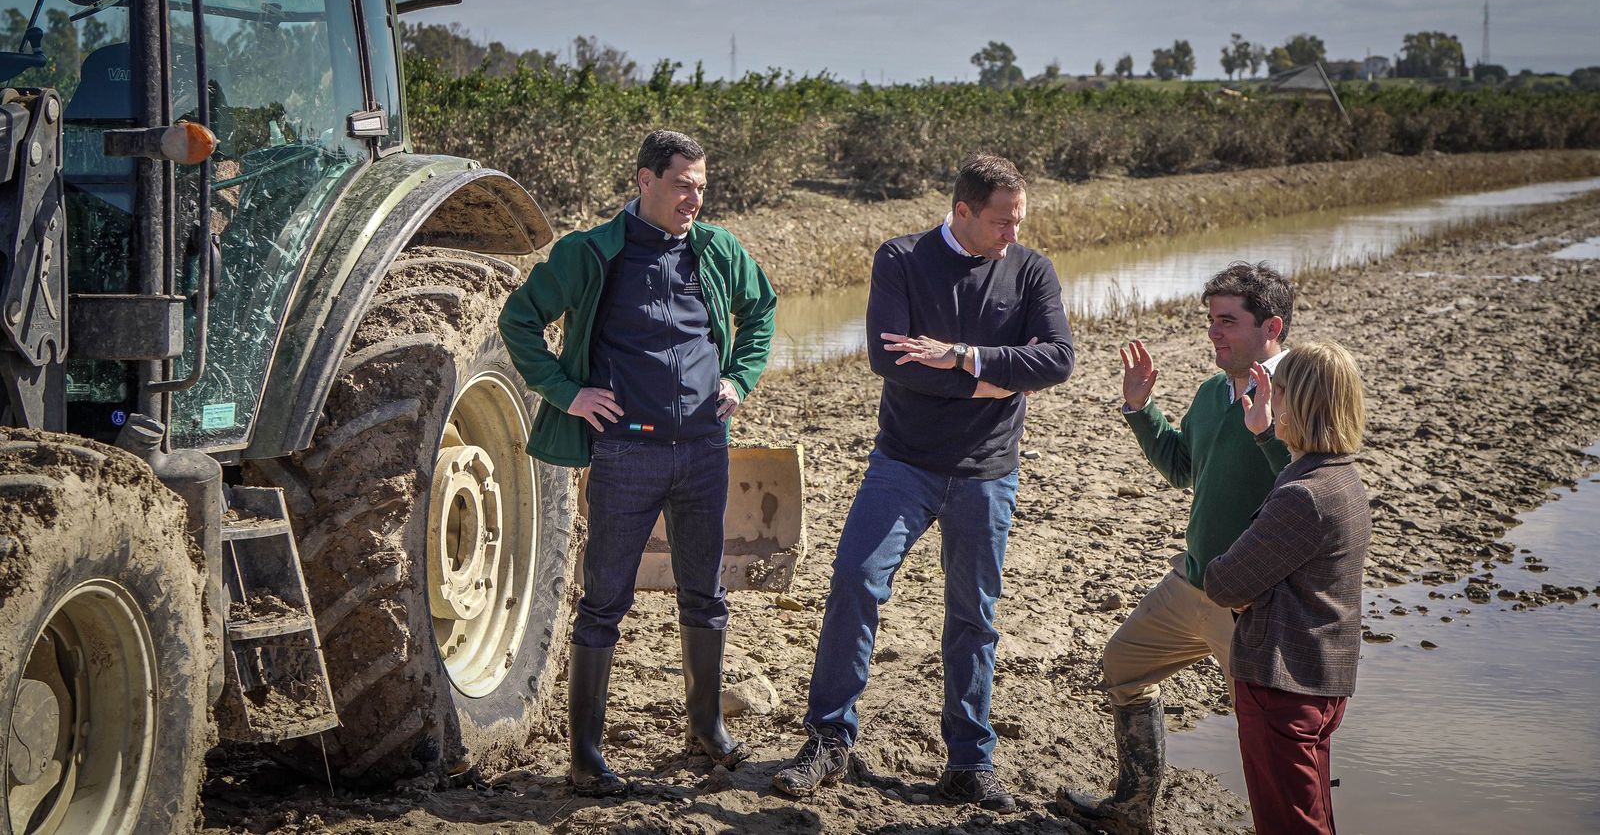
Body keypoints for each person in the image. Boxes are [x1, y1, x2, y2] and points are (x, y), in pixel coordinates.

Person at [771, 154, 1076, 812]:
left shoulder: (1031, 270)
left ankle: (969, 763)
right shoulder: (901, 258)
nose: (1012, 236)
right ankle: (829, 741)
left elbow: (1057, 359)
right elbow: (891, 358)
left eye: (1018, 221)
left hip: (989, 471)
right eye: (1001, 222)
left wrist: (962, 357)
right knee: (855, 578)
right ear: (962, 211)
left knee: (974, 616)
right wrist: (992, 383)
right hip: (903, 463)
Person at [498, 130, 777, 796]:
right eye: (683, 184)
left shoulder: (716, 249)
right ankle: (587, 757)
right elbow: (520, 319)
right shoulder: (591, 251)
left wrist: (740, 377)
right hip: (626, 454)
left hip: (705, 450)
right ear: (645, 180)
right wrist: (568, 393)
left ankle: (705, 729)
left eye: (702, 186)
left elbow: (760, 311)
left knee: (705, 594)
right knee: (604, 603)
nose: (694, 198)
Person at [1061, 262, 1296, 833]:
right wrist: (1142, 410)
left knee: (1270, 738)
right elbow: (1183, 469)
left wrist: (1266, 430)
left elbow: (1309, 488)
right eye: (1210, 320)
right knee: (1122, 666)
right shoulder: (1215, 390)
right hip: (1189, 584)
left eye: (1227, 322)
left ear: (1273, 327)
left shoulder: (1301, 392)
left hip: (1250, 604)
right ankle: (1133, 808)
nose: (1213, 332)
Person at [1205, 340, 1371, 835]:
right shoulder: (1343, 479)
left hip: (1283, 685)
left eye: (1275, 393)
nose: (1267, 401)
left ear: (1297, 404)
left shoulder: (1304, 495)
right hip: (1321, 681)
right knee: (1312, 813)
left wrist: (1250, 585)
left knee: (1289, 824)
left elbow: (1224, 582)